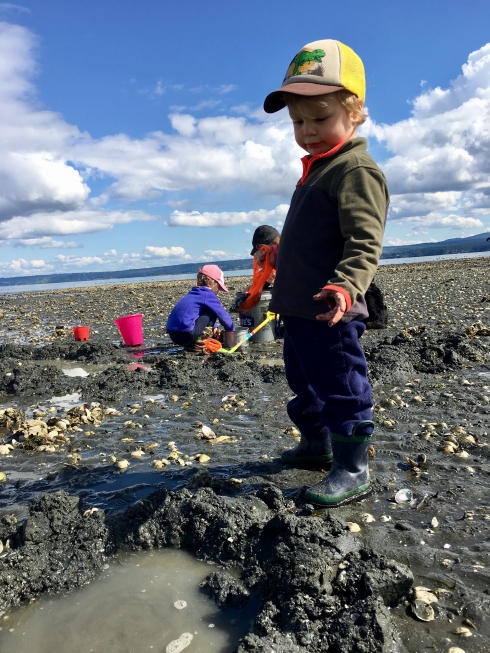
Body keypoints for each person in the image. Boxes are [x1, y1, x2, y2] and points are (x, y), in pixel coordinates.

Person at [263, 39, 390, 507]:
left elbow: (364, 239)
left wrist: (347, 285)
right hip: (297, 309)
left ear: (354, 111)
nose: (307, 130)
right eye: (298, 121)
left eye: (320, 118)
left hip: (330, 309)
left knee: (341, 384)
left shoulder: (355, 169)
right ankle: (316, 445)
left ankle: (352, 467)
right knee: (303, 381)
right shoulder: (316, 169)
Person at [166, 264, 235, 349]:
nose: (218, 291)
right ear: (211, 282)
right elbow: (223, 316)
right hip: (187, 335)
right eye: (218, 287)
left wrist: (214, 326)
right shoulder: (207, 294)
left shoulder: (194, 293)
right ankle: (200, 342)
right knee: (211, 310)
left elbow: (196, 314)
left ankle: (192, 343)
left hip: (173, 335)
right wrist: (231, 330)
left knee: (205, 309)